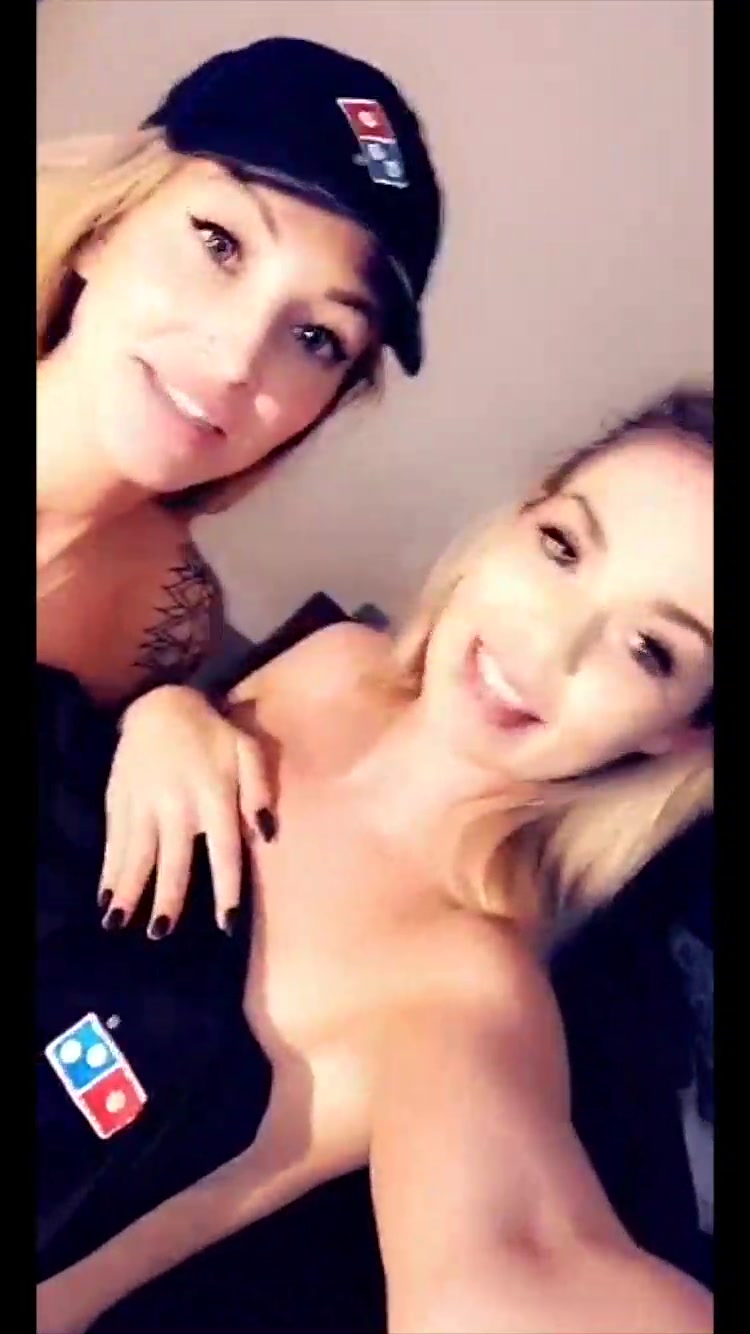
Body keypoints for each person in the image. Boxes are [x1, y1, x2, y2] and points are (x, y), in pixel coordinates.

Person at [37, 389, 713, 1334]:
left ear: (683, 733)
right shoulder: (335, 664)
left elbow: (517, 1266)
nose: (546, 643)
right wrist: (164, 713)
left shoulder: (467, 993)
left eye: (649, 649)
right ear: (515, 523)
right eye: (563, 548)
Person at [37, 35, 442, 710]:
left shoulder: (174, 622)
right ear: (104, 228)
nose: (235, 362)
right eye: (219, 245)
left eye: (317, 338)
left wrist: (169, 721)